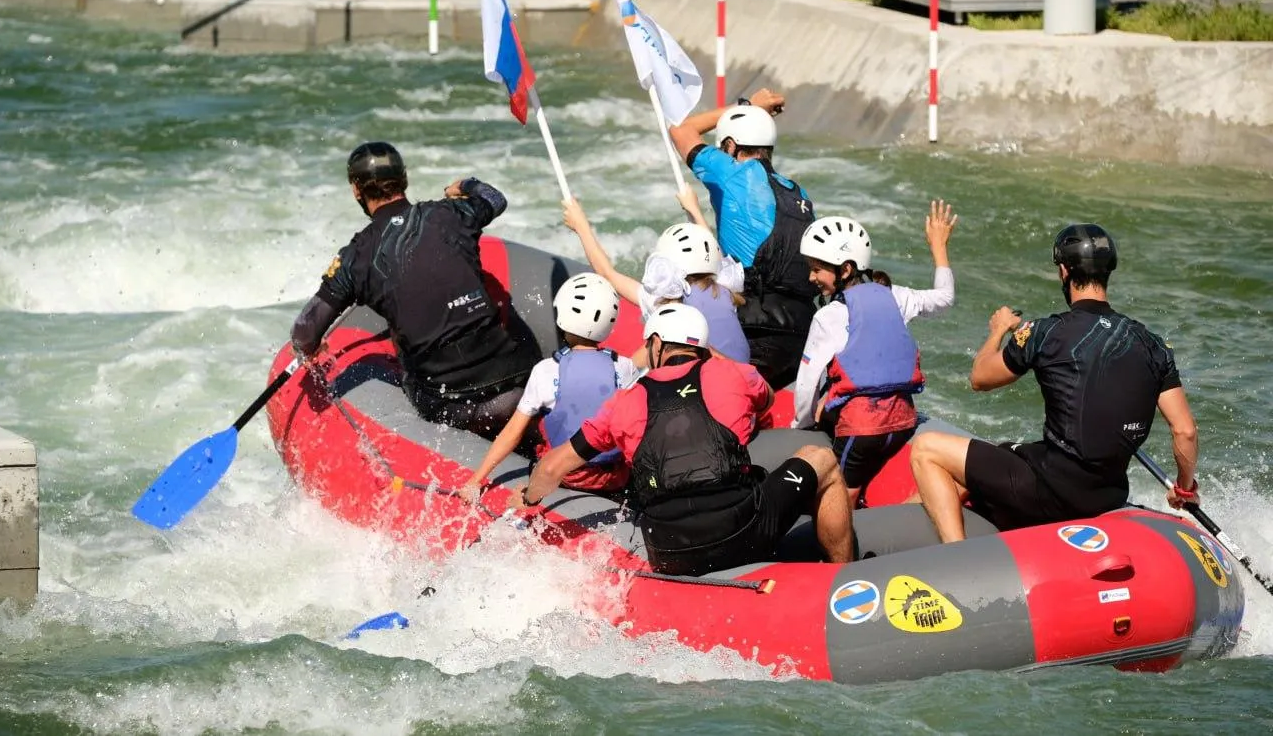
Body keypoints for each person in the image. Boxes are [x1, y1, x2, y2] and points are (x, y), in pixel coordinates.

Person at [508, 304, 854, 576]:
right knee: (820, 456)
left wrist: (527, 497)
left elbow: (553, 467)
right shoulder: (734, 373)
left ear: (656, 344)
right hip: (744, 530)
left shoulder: (624, 401)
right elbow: (764, 399)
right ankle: (843, 576)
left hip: (669, 549)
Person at [909, 223, 1199, 542]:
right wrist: (1184, 487)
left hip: (1050, 494)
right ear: (1107, 273)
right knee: (1007, 452)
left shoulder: (1044, 332)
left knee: (926, 448)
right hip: (1106, 495)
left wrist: (998, 330)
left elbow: (980, 378)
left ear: (1064, 271)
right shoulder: (1152, 344)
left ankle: (956, 556)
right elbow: (1184, 431)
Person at [291, 141, 540, 441]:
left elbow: (304, 332)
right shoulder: (452, 213)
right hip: (515, 380)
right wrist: (464, 184)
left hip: (451, 402)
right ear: (404, 180)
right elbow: (494, 198)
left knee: (400, 346)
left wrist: (310, 349)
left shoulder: (355, 258)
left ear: (356, 190)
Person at [794, 202, 958, 507]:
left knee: (839, 496)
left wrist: (802, 425)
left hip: (862, 429)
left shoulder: (829, 316)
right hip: (903, 420)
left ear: (845, 269)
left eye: (817, 269)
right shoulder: (896, 296)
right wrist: (939, 246)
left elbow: (806, 384)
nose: (811, 278)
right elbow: (945, 299)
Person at [668, 88, 817, 389]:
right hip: (803, 334)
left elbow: (681, 130)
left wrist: (748, 105)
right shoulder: (797, 193)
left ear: (731, 145)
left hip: (754, 330)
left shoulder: (732, 171)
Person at [457, 273, 640, 502]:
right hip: (611, 478)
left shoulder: (546, 370)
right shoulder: (624, 367)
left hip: (565, 475)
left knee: (536, 426)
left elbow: (513, 433)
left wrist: (476, 480)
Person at [561, 195, 750, 364]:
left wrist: (581, 227)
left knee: (654, 344)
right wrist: (694, 209)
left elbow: (607, 273)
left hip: (713, 382)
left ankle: (620, 383)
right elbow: (708, 246)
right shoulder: (725, 285)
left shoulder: (670, 300)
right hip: (745, 372)